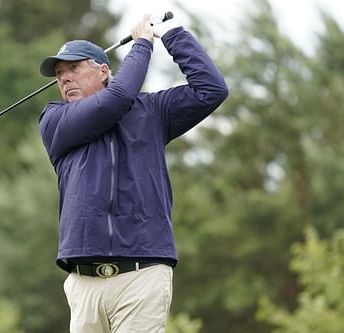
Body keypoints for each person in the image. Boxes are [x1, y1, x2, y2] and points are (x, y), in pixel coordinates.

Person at [38, 13, 228, 333]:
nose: (65, 78)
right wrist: (142, 44)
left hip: (143, 273)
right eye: (59, 73)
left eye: (74, 67)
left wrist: (172, 34)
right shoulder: (55, 120)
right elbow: (116, 101)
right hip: (85, 283)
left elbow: (211, 89)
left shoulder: (152, 111)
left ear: (103, 71)